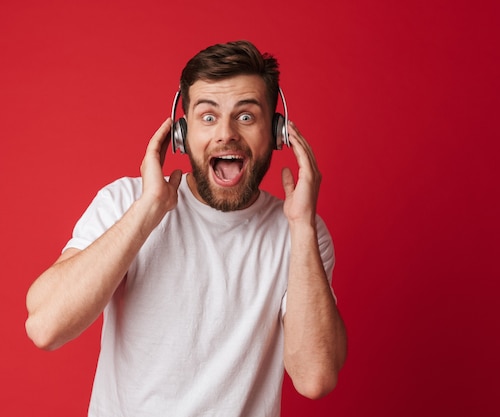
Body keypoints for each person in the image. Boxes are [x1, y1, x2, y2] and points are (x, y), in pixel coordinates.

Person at [25, 40, 347, 417]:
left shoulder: (301, 232)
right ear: (181, 133)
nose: (225, 134)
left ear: (278, 134)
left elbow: (315, 378)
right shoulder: (125, 202)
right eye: (207, 117)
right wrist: (149, 209)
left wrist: (301, 228)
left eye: (246, 116)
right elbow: (45, 327)